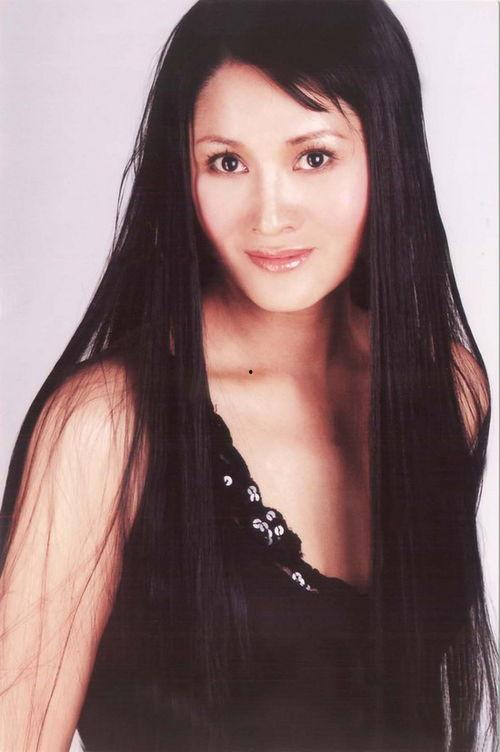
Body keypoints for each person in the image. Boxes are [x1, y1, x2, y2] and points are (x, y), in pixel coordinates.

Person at [0, 0, 497, 750]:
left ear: (389, 154)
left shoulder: (445, 389)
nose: (269, 216)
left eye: (314, 157)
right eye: (226, 162)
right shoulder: (109, 426)